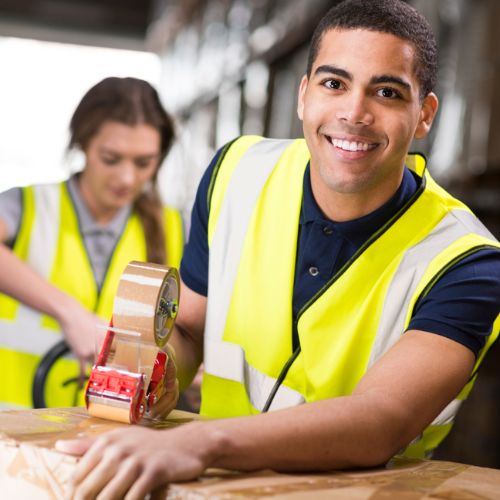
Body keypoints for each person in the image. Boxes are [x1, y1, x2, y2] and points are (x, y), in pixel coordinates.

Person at [57, 1, 500, 498]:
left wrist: (201, 442)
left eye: (387, 92)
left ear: (424, 115)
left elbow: (382, 419)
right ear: (303, 95)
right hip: (211, 489)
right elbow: (188, 327)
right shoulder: (236, 173)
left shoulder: (467, 261)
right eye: (335, 84)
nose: (354, 112)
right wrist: (157, 378)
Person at [0, 77, 183, 410]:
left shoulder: (171, 227)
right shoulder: (29, 205)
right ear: (83, 145)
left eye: (144, 163)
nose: (127, 178)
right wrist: (68, 311)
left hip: (106, 439)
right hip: (13, 435)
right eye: (111, 159)